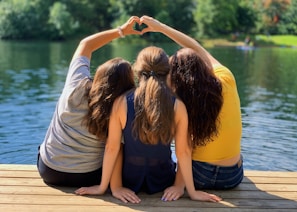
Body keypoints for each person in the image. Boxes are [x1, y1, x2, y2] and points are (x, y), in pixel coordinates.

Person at [75, 43, 221, 202]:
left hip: (128, 180)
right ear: (167, 72)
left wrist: (106, 187)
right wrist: (187, 190)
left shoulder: (121, 102)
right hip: (163, 181)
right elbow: (184, 151)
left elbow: (112, 148)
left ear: (137, 72)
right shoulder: (178, 106)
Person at [37, 16, 141, 199]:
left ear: (99, 73)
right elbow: (114, 150)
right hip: (90, 176)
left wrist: (121, 31)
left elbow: (86, 44)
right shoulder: (121, 107)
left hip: (49, 170)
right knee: (119, 143)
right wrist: (114, 188)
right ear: (127, 85)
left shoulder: (75, 84)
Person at [140, 16, 243, 190]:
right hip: (232, 178)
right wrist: (162, 27)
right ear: (202, 65)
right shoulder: (226, 78)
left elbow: (184, 149)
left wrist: (179, 186)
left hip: (198, 176)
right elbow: (196, 47)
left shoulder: (182, 102)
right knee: (238, 156)